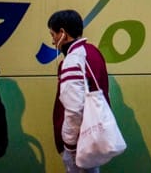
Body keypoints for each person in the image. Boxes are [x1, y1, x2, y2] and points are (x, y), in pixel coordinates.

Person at [47, 9, 110, 173]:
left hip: (81, 141)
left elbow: (74, 109)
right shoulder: (94, 52)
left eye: (53, 35)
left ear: (62, 33)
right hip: (96, 135)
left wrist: (70, 147)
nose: (53, 41)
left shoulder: (72, 60)